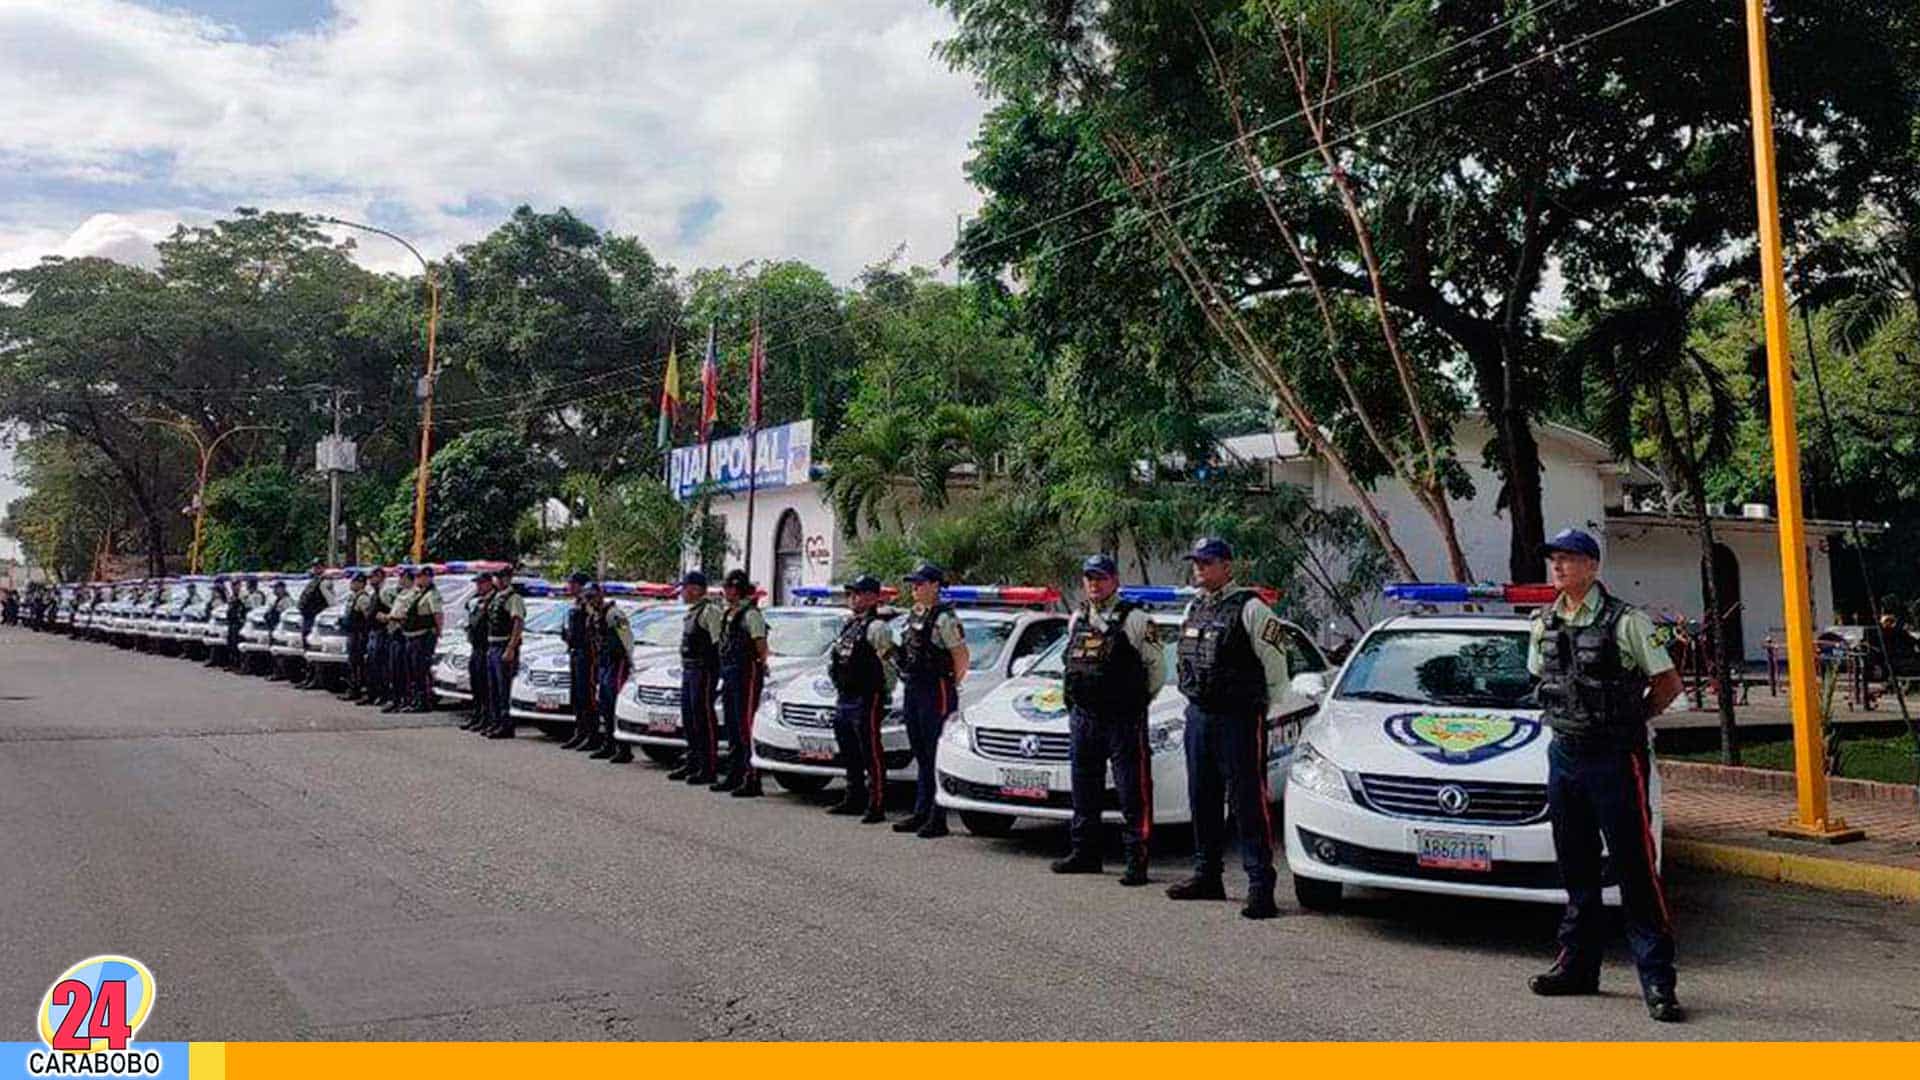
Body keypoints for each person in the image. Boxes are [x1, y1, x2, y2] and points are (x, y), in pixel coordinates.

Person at [1526, 527, 1685, 1023]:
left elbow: (1667, 684)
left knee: (1635, 870)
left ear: (1593, 567)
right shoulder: (1543, 622)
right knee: (1576, 867)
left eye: (1569, 559)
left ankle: (1658, 980)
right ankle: (1577, 965)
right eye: (1554, 559)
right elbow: (1541, 679)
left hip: (1615, 759)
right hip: (1565, 755)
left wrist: (1629, 721)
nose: (1558, 567)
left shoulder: (1629, 622)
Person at [1168, 537, 1292, 920]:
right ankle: (1207, 875)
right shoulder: (1196, 607)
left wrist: (1265, 709)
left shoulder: (1253, 609)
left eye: (1207, 563)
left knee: (1247, 802)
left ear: (1226, 566)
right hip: (1200, 715)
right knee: (1202, 796)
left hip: (1238, 718)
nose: (1199, 569)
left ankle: (1260, 885)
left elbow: (1275, 665)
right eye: (1196, 563)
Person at [1054, 554, 1166, 885]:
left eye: (1101, 577)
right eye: (1089, 577)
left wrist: (1136, 702)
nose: (1094, 583)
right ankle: (1085, 853)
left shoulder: (1136, 619)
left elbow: (1157, 670)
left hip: (1123, 719)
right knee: (1084, 789)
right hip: (1085, 717)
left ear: (1114, 581)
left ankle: (1137, 860)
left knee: (1133, 791)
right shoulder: (1077, 618)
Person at [894, 562, 969, 839]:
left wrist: (951, 684)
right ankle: (921, 810)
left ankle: (938, 817)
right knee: (920, 752)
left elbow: (961, 656)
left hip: (935, 689)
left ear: (935, 586)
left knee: (934, 752)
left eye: (921, 583)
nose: (915, 588)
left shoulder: (945, 618)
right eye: (913, 583)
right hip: (914, 687)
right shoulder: (913, 615)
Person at [825, 574, 897, 823]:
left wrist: (884, 691)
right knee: (849, 750)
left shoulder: (877, 628)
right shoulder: (850, 625)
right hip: (846, 695)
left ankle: (876, 804)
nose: (853, 598)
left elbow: (888, 664)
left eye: (858, 593)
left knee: (870, 751)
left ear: (873, 597)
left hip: (867, 696)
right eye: (851, 593)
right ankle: (853, 796)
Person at [713, 569, 771, 796]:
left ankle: (751, 778)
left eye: (728, 587)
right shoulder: (730, 612)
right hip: (730, 672)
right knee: (732, 726)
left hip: (746, 673)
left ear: (737, 589)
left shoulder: (751, 614)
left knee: (745, 727)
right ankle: (734, 773)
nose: (725, 592)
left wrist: (761, 663)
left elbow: (760, 644)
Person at [667, 570, 725, 784]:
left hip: (704, 670)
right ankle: (693, 761)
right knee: (689, 717)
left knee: (703, 718)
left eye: (684, 588)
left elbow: (719, 643)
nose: (682, 592)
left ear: (696, 589)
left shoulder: (710, 611)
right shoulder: (693, 611)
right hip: (690, 669)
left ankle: (708, 767)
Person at [585, 580, 636, 763]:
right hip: (604, 663)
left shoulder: (614, 614)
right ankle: (609, 744)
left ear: (601, 594)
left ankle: (623, 748)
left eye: (592, 596)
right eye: (588, 597)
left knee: (615, 705)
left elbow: (627, 637)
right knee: (605, 705)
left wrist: (629, 659)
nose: (590, 601)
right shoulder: (594, 615)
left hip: (617, 663)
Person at [482, 568, 526, 739]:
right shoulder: (496, 597)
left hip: (503, 645)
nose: (498, 581)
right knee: (493, 687)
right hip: (493, 644)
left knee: (503, 688)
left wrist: (511, 648)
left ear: (508, 579)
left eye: (502, 578)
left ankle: (506, 725)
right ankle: (495, 722)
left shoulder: (513, 598)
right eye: (497, 578)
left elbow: (518, 623)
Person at [559, 571, 597, 751]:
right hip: (574, 652)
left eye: (573, 584)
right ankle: (580, 731)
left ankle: (591, 734)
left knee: (586, 696)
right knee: (576, 695)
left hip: (586, 654)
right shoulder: (574, 604)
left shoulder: (588, 604)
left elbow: (593, 625)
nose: (569, 587)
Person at [401, 565, 444, 712]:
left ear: (428, 577)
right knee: (412, 670)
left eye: (421, 577)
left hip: (423, 637)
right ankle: (415, 700)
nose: (418, 579)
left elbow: (438, 614)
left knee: (421, 670)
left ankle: (424, 702)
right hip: (412, 637)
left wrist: (438, 632)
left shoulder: (432, 594)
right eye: (418, 576)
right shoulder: (419, 593)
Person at [458, 573, 496, 730]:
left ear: (489, 583)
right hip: (476, 647)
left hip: (486, 647)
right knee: (476, 684)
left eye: (481, 583)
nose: (478, 586)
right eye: (477, 583)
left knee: (485, 686)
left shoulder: (493, 600)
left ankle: (487, 718)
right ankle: (477, 715)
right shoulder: (478, 600)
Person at [381, 567, 419, 713]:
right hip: (394, 633)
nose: (399, 580)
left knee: (403, 670)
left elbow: (407, 616)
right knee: (394, 669)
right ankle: (396, 699)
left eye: (402, 577)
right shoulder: (402, 593)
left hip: (403, 634)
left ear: (408, 578)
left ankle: (405, 699)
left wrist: (389, 618)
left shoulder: (413, 594)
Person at [358, 567, 392, 705]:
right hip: (373, 631)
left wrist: (386, 617)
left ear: (380, 576)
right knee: (371, 665)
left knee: (380, 665)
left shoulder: (385, 592)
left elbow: (394, 609)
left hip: (381, 632)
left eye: (373, 577)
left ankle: (382, 694)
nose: (370, 580)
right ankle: (373, 694)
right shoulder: (375, 593)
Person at [295, 561, 330, 689]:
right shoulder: (313, 582)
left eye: (318, 567)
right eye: (314, 566)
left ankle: (316, 679)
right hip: (307, 618)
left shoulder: (324, 583)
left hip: (314, 620)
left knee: (313, 649)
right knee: (307, 650)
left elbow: (331, 602)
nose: (315, 569)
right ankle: (309, 677)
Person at [340, 572, 371, 699]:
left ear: (361, 583)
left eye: (354, 582)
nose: (351, 584)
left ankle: (358, 689)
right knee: (352, 663)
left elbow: (366, 617)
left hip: (358, 635)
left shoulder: (363, 598)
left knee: (357, 663)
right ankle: (352, 688)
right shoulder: (353, 597)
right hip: (352, 633)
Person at [263, 579, 293, 679]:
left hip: (280, 629)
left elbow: (287, 615)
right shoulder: (277, 600)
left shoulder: (286, 601)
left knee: (279, 652)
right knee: (274, 651)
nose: (275, 591)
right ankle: (276, 672)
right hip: (274, 628)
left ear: (282, 588)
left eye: (276, 588)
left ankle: (280, 673)